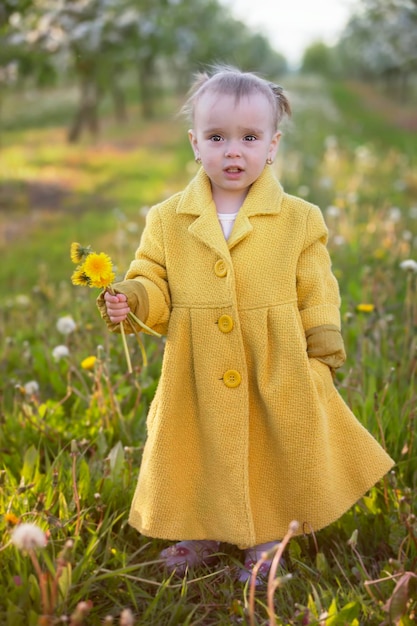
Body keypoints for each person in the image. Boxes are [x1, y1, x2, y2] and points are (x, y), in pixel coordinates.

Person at [97, 66, 394, 583]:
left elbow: (317, 289)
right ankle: (199, 527)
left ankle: (266, 541)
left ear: (272, 145)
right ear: (195, 144)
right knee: (197, 447)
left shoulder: (299, 218)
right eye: (217, 137)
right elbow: (152, 279)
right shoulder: (168, 219)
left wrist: (321, 353)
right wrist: (133, 299)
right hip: (198, 365)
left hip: (273, 363)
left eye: (249, 138)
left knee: (270, 451)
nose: (233, 151)